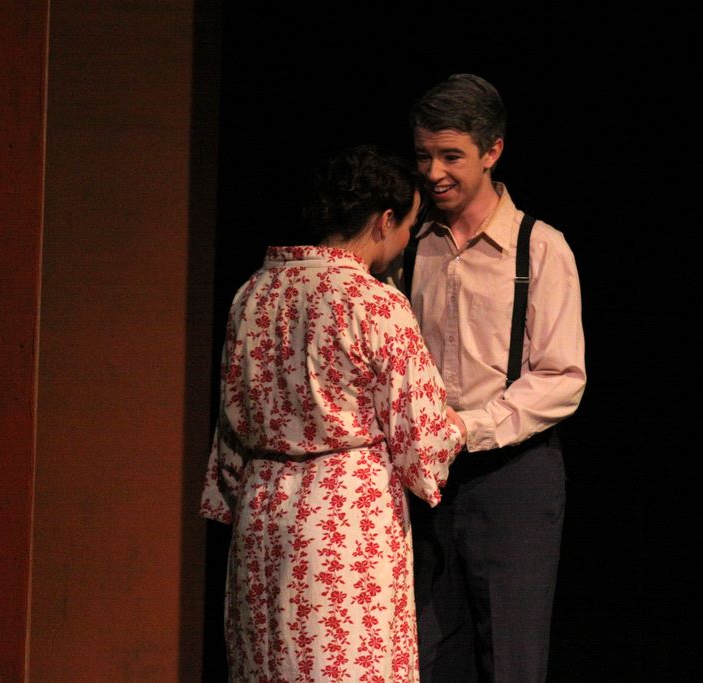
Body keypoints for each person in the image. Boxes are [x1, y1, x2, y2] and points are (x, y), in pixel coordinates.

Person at [201, 145, 466, 681]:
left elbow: (232, 424)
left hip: (262, 514)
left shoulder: (252, 294)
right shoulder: (375, 303)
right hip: (344, 523)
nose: (405, 241)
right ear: (384, 220)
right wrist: (455, 426)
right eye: (407, 225)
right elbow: (421, 440)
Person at [405, 74, 586, 682]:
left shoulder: (540, 248)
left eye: (450, 156)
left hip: (513, 476)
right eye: (424, 156)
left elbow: (561, 377)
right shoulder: (411, 247)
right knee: (425, 656)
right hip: (426, 480)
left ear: (492, 151)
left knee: (511, 660)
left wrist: (467, 428)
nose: (433, 173)